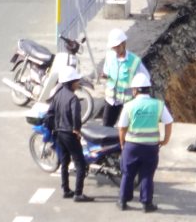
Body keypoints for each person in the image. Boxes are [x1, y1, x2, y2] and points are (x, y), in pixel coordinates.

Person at [116, 72, 172, 212]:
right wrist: (165, 140)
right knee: (147, 175)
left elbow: (122, 128)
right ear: (148, 89)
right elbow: (169, 122)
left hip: (132, 146)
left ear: (135, 90)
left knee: (128, 173)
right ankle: (147, 204)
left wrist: (122, 143)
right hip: (151, 147)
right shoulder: (158, 105)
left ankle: (123, 201)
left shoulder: (129, 106)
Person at [46, 66, 94, 203]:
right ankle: (78, 193)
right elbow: (76, 118)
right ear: (71, 82)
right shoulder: (73, 99)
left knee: (65, 162)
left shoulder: (58, 94)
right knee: (80, 163)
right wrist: (77, 131)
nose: (78, 83)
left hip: (59, 133)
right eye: (77, 81)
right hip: (69, 134)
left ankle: (66, 190)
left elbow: (50, 112)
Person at [102, 28, 150, 127]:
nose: (115, 49)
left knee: (127, 128)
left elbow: (146, 78)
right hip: (111, 100)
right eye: (113, 47)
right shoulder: (109, 57)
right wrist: (105, 76)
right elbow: (107, 73)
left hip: (128, 102)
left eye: (117, 46)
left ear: (124, 44)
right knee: (106, 127)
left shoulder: (135, 61)